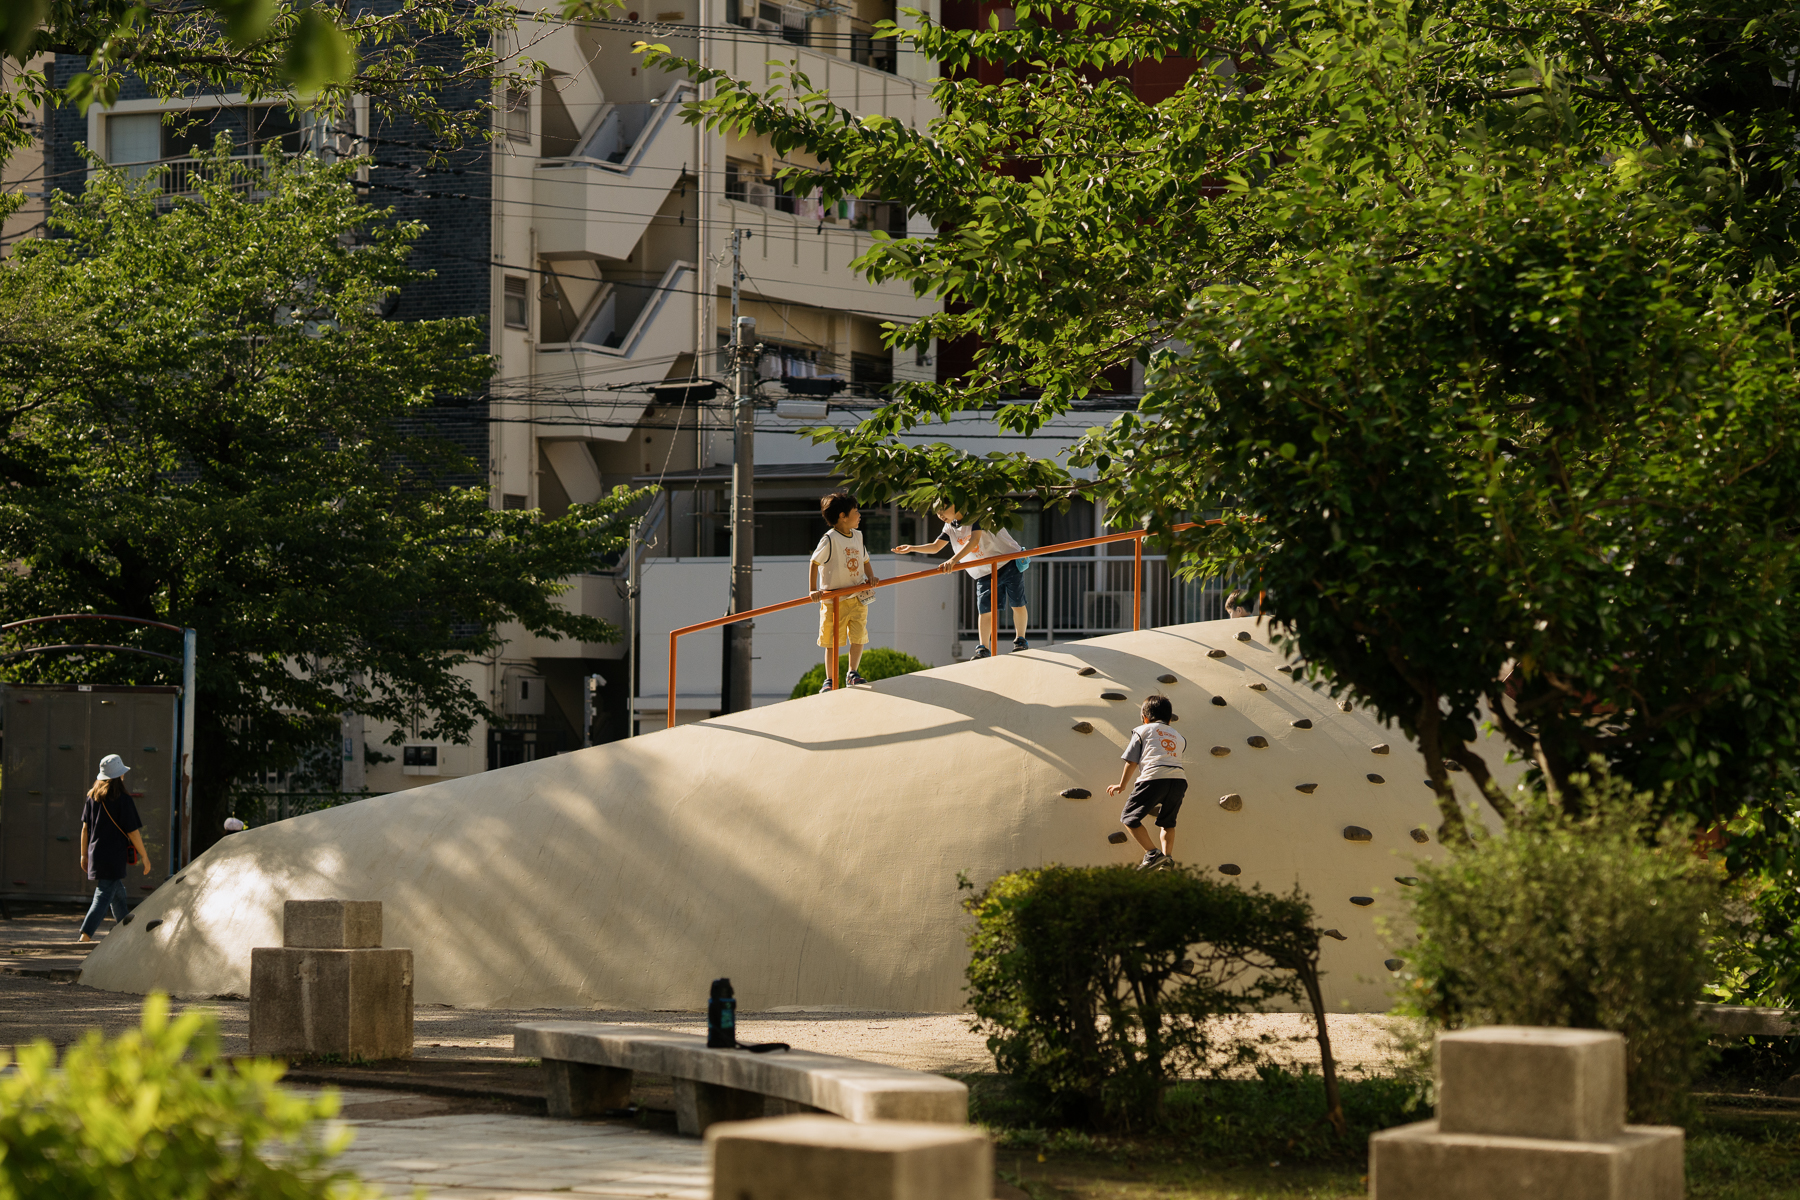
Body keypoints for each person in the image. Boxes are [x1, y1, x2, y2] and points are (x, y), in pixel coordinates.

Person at [894, 501, 1029, 657]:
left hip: (1007, 561)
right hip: (985, 570)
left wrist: (953, 560)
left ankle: (1020, 639)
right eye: (937, 513)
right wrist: (912, 548)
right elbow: (936, 546)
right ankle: (983, 647)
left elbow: (974, 540)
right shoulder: (950, 526)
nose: (940, 515)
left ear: (955, 504)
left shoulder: (974, 514)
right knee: (985, 609)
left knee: (1017, 602)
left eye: (943, 510)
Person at [808, 491, 880, 690]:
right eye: (855, 511)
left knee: (858, 636)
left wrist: (871, 576)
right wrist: (813, 589)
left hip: (857, 596)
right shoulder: (829, 539)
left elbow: (865, 559)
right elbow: (814, 562)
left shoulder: (858, 536)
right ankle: (830, 679)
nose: (859, 515)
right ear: (842, 516)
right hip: (834, 600)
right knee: (832, 641)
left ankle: (852, 672)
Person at [1106, 695, 1186, 870]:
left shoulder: (1142, 731)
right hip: (1179, 781)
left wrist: (1122, 785)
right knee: (1168, 823)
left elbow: (1131, 761)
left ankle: (1152, 853)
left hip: (1154, 778)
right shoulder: (1179, 737)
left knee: (1129, 818)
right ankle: (1167, 860)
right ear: (1169, 720)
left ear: (1145, 718)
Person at [77, 754, 150, 941]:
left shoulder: (92, 797)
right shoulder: (123, 799)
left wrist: (83, 855)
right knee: (103, 894)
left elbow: (85, 829)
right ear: (119, 775)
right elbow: (133, 832)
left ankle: (126, 930)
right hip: (113, 855)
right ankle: (85, 936)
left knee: (117, 892)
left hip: (95, 854)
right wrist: (144, 856)